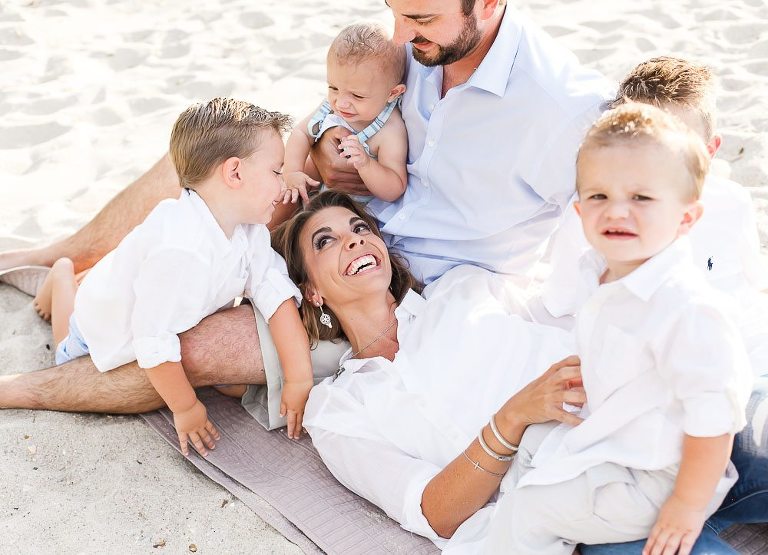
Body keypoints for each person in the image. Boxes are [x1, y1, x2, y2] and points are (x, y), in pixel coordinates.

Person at [485, 104, 753, 555]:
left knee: (531, 508)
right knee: (533, 446)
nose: (616, 212)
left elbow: (714, 422)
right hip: (615, 437)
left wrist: (685, 506)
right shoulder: (600, 271)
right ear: (579, 210)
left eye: (641, 198)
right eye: (598, 196)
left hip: (659, 476)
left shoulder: (685, 308)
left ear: (686, 218)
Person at [273, 190, 585, 554]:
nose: (354, 240)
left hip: (607, 422)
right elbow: (434, 512)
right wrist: (510, 420)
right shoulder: (336, 407)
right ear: (312, 292)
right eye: (325, 241)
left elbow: (576, 320)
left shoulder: (463, 288)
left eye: (360, 228)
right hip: (549, 513)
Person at [30, 98, 313, 453]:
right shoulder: (181, 251)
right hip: (97, 328)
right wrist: (186, 407)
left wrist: (298, 377)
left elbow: (275, 293)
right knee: (67, 358)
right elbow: (153, 341)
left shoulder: (248, 228)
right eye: (276, 171)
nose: (283, 183)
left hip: (137, 290)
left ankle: (75, 278)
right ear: (235, 173)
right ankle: (61, 277)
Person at [281, 23, 408, 209]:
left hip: (352, 210)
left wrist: (366, 165)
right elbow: (301, 133)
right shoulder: (331, 106)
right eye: (333, 88)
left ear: (393, 93)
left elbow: (395, 188)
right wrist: (292, 172)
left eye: (357, 96)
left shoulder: (389, 130)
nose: (341, 103)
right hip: (316, 193)